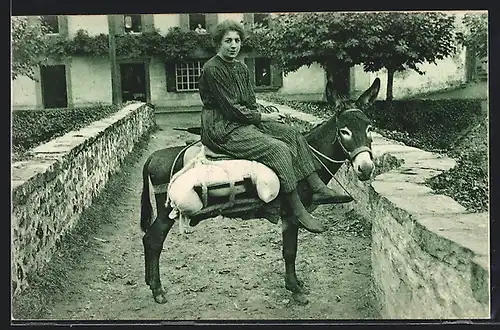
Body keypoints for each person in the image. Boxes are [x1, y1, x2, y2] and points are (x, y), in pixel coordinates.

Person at [197, 20, 352, 234]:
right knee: (277, 149)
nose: (233, 45)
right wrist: (264, 119)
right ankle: (298, 209)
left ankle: (317, 188)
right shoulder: (212, 69)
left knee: (291, 134)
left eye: (237, 41)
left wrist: (266, 113)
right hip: (222, 128)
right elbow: (232, 109)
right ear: (218, 44)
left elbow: (249, 101)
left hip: (243, 120)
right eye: (228, 41)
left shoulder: (241, 67)